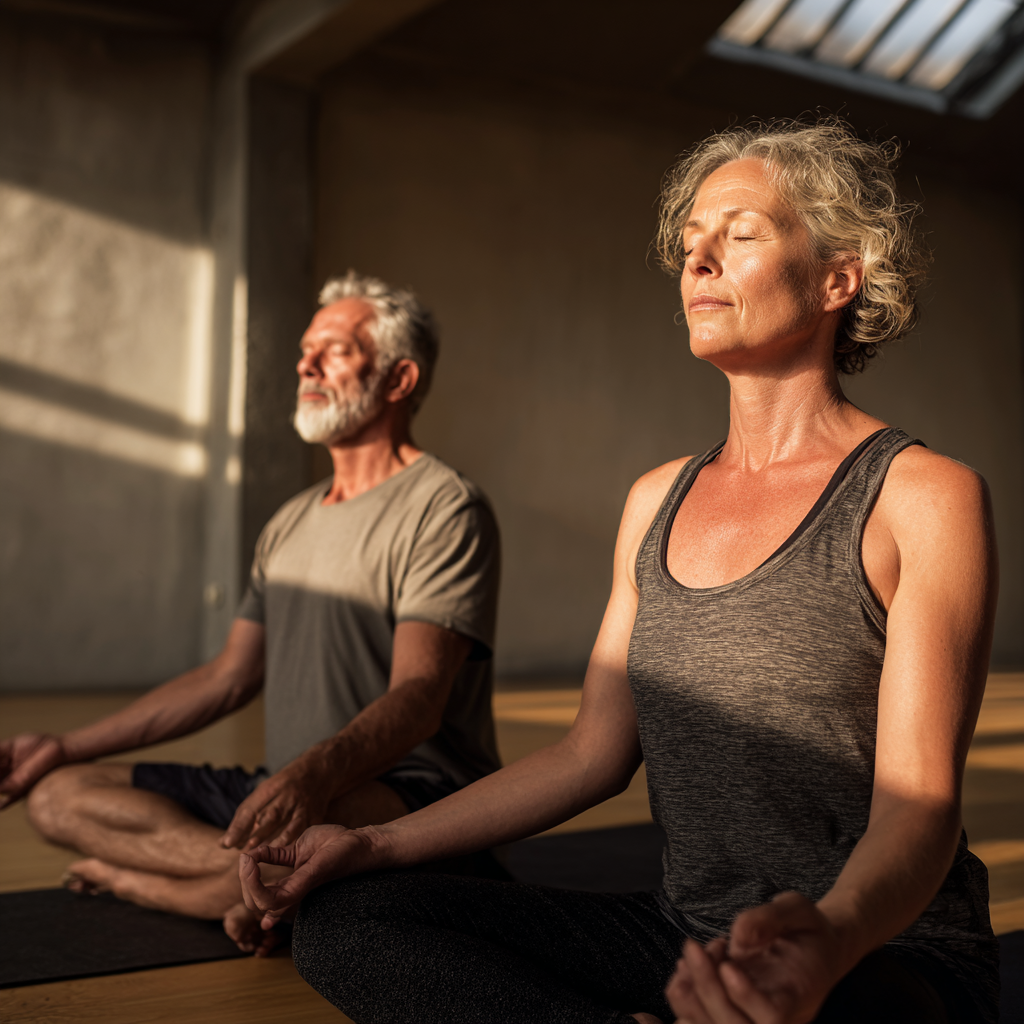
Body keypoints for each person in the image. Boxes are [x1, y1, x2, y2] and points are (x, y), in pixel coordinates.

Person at [238, 120, 1000, 1023]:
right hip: (686, 934)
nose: (699, 263)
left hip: (880, 951)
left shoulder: (923, 497)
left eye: (741, 235)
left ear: (840, 277)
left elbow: (922, 807)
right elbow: (588, 756)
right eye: (689, 246)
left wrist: (829, 939)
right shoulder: (655, 501)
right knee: (349, 921)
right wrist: (370, 843)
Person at [0, 271, 501, 954]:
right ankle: (266, 890)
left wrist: (316, 773)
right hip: (287, 787)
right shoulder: (289, 522)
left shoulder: (444, 507)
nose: (306, 363)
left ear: (399, 379)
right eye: (305, 349)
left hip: (412, 790)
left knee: (300, 842)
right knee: (59, 795)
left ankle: (159, 885)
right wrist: (65, 746)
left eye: (336, 349)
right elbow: (228, 677)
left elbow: (417, 700)